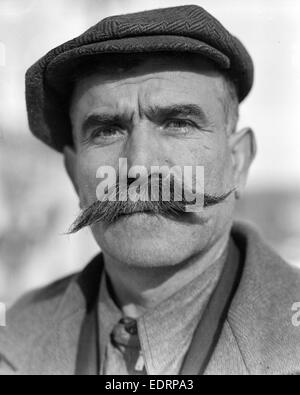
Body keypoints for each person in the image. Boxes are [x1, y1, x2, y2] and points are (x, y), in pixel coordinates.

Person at [0, 5, 299, 375]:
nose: (139, 166)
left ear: (238, 162)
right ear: (75, 175)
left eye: (178, 122)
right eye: (107, 130)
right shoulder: (12, 342)